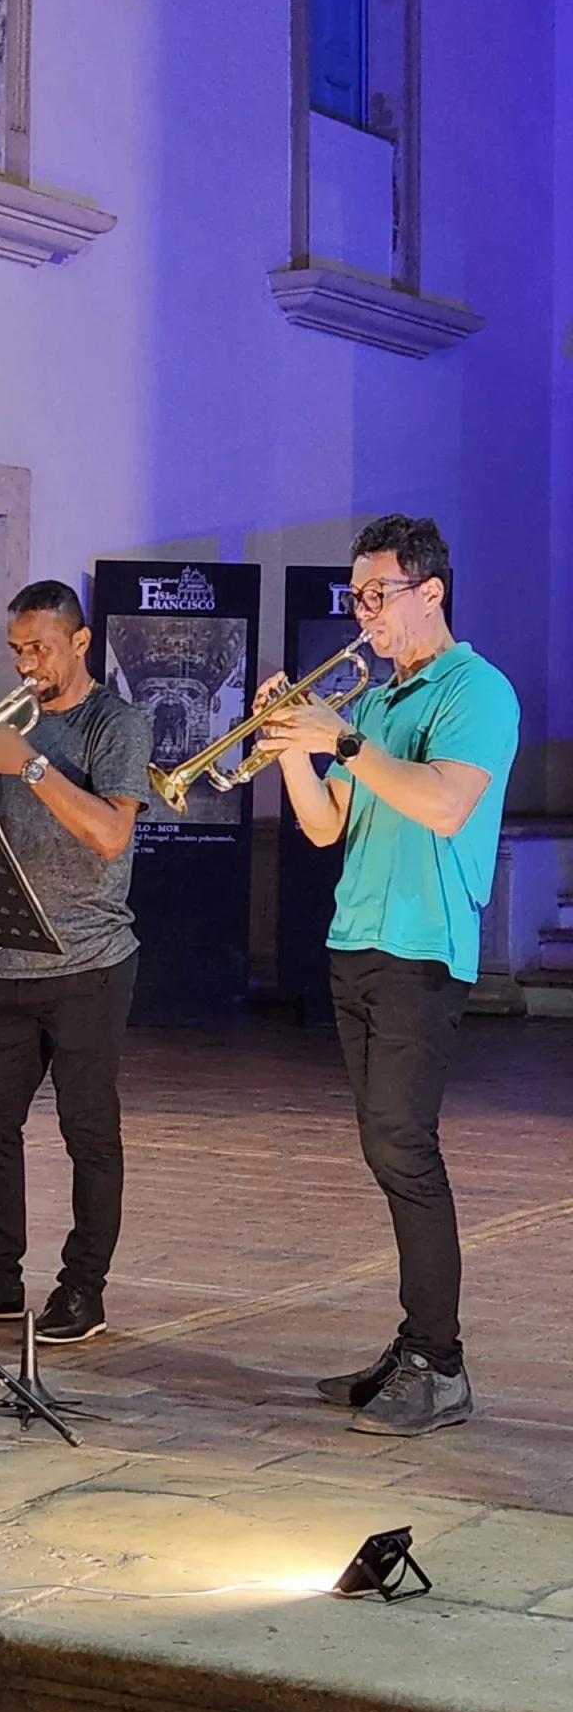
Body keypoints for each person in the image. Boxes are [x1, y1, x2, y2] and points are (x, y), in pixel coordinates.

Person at [259, 516, 518, 1436]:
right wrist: (292, 746)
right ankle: (415, 1344)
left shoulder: (477, 690)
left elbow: (445, 805)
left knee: (406, 1150)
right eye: (357, 597)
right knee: (385, 1149)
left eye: (378, 595)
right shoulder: (371, 704)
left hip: (423, 946)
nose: (363, 614)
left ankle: (440, 1364)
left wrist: (344, 743)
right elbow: (324, 826)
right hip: (357, 939)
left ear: (430, 591)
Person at [0, 579, 152, 1343]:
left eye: (41, 648)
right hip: (4, 954)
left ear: (80, 642)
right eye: (17, 650)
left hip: (89, 958)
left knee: (88, 1132)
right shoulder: (13, 725)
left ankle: (83, 1288)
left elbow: (111, 835)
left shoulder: (116, 723)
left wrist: (26, 764)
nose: (27, 663)